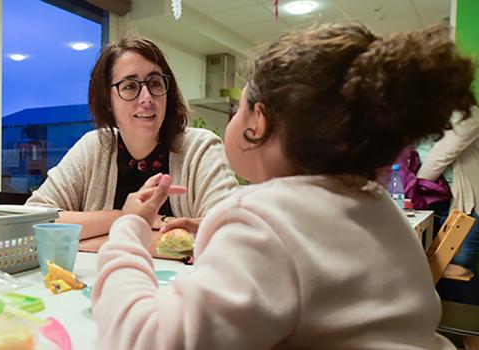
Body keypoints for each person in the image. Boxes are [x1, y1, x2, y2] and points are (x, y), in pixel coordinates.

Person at [91, 23, 476, 349]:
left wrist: (129, 227)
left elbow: (142, 337)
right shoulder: (381, 209)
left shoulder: (261, 222)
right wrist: (214, 232)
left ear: (257, 123)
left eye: (238, 106)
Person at [26, 37, 238, 239]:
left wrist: (93, 239)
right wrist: (127, 218)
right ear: (108, 101)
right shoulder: (94, 147)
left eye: (155, 83)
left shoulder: (199, 148)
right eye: (130, 86)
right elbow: (32, 219)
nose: (146, 98)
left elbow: (231, 234)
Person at [417, 105, 479, 305]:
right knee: (435, 269)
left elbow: (443, 153)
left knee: (457, 266)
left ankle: (467, 332)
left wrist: (414, 185)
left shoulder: (469, 115)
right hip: (432, 200)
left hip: (466, 202)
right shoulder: (420, 113)